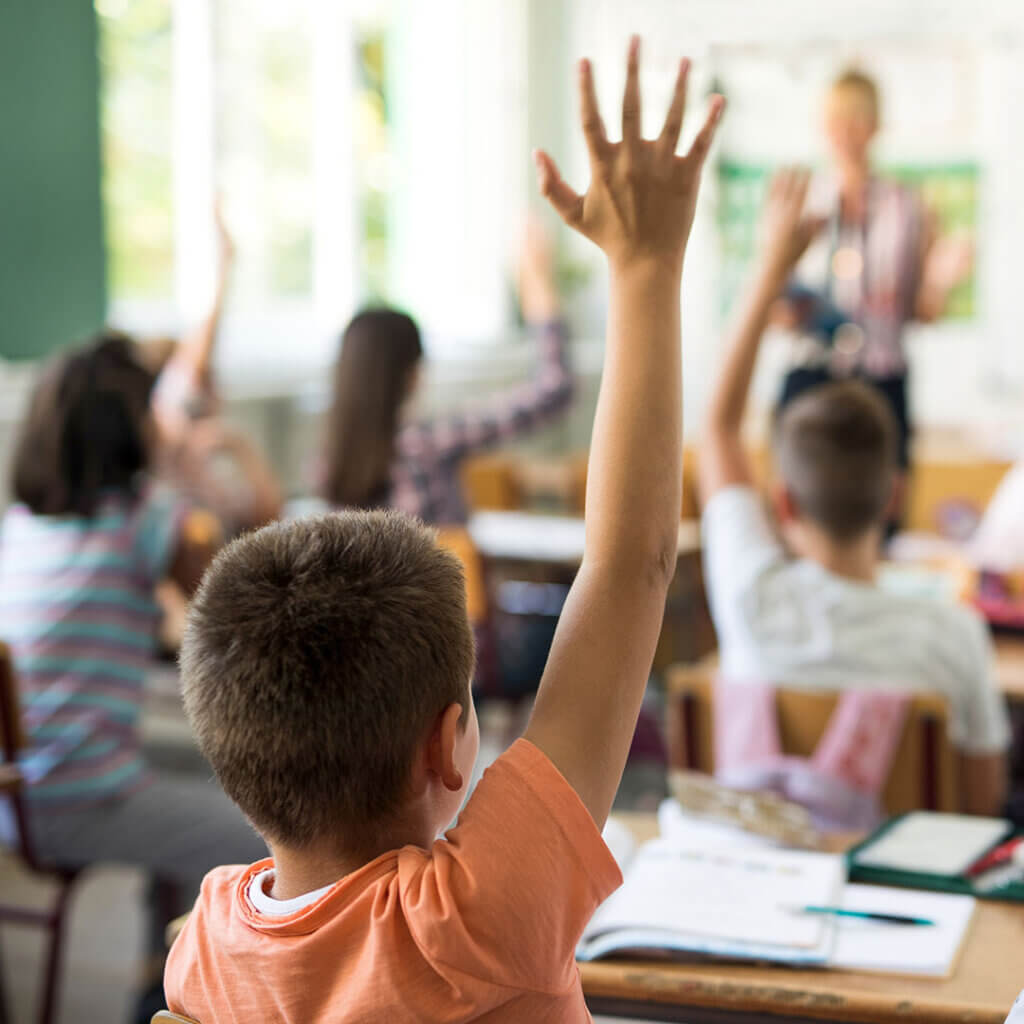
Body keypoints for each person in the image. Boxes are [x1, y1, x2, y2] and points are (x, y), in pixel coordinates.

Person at [164, 38, 724, 1021]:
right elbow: (632, 565)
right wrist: (647, 267)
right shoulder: (476, 917)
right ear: (450, 748)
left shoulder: (204, 951)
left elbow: (628, 566)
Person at [699, 168, 1010, 818]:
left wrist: (769, 268)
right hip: (919, 910)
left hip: (770, 892)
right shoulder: (955, 638)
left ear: (783, 504)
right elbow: (980, 815)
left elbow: (719, 428)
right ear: (895, 495)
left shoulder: (749, 597)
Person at [0, 332, 267, 1022]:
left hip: (17, 791)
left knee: (194, 766)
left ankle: (160, 979)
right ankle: (188, 993)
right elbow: (248, 614)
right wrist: (190, 479)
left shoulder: (24, 523)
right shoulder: (147, 520)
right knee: (275, 828)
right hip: (78, 801)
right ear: (133, 428)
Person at [780, 68, 972, 477]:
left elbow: (923, 312)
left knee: (883, 503)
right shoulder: (799, 202)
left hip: (882, 380)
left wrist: (940, 278)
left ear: (876, 126)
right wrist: (789, 309)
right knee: (804, 498)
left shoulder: (910, 207)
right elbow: (773, 311)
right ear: (823, 125)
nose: (847, 131)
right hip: (813, 375)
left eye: (859, 118)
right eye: (837, 119)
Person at [321, 221, 572, 525]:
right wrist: (538, 283)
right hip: (444, 573)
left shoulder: (325, 465)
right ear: (413, 374)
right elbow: (553, 389)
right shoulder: (427, 445)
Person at [145, 202, 283, 537]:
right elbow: (197, 354)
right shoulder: (170, 418)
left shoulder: (212, 460)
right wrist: (226, 262)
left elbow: (270, 515)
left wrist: (240, 448)